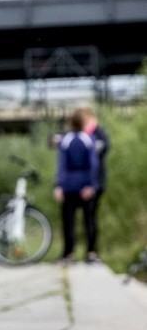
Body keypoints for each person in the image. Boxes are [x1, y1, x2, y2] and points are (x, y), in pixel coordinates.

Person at [54, 108, 100, 265]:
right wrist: (91, 185)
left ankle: (72, 253)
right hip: (80, 186)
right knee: (87, 221)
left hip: (71, 186)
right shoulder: (88, 139)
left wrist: (59, 185)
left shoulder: (66, 140)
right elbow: (93, 164)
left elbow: (61, 165)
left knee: (71, 222)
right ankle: (88, 252)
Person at [80, 107, 109, 263]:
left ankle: (91, 252)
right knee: (85, 218)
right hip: (81, 183)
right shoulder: (80, 134)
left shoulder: (99, 133)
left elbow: (103, 149)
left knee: (90, 217)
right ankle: (83, 251)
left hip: (95, 183)